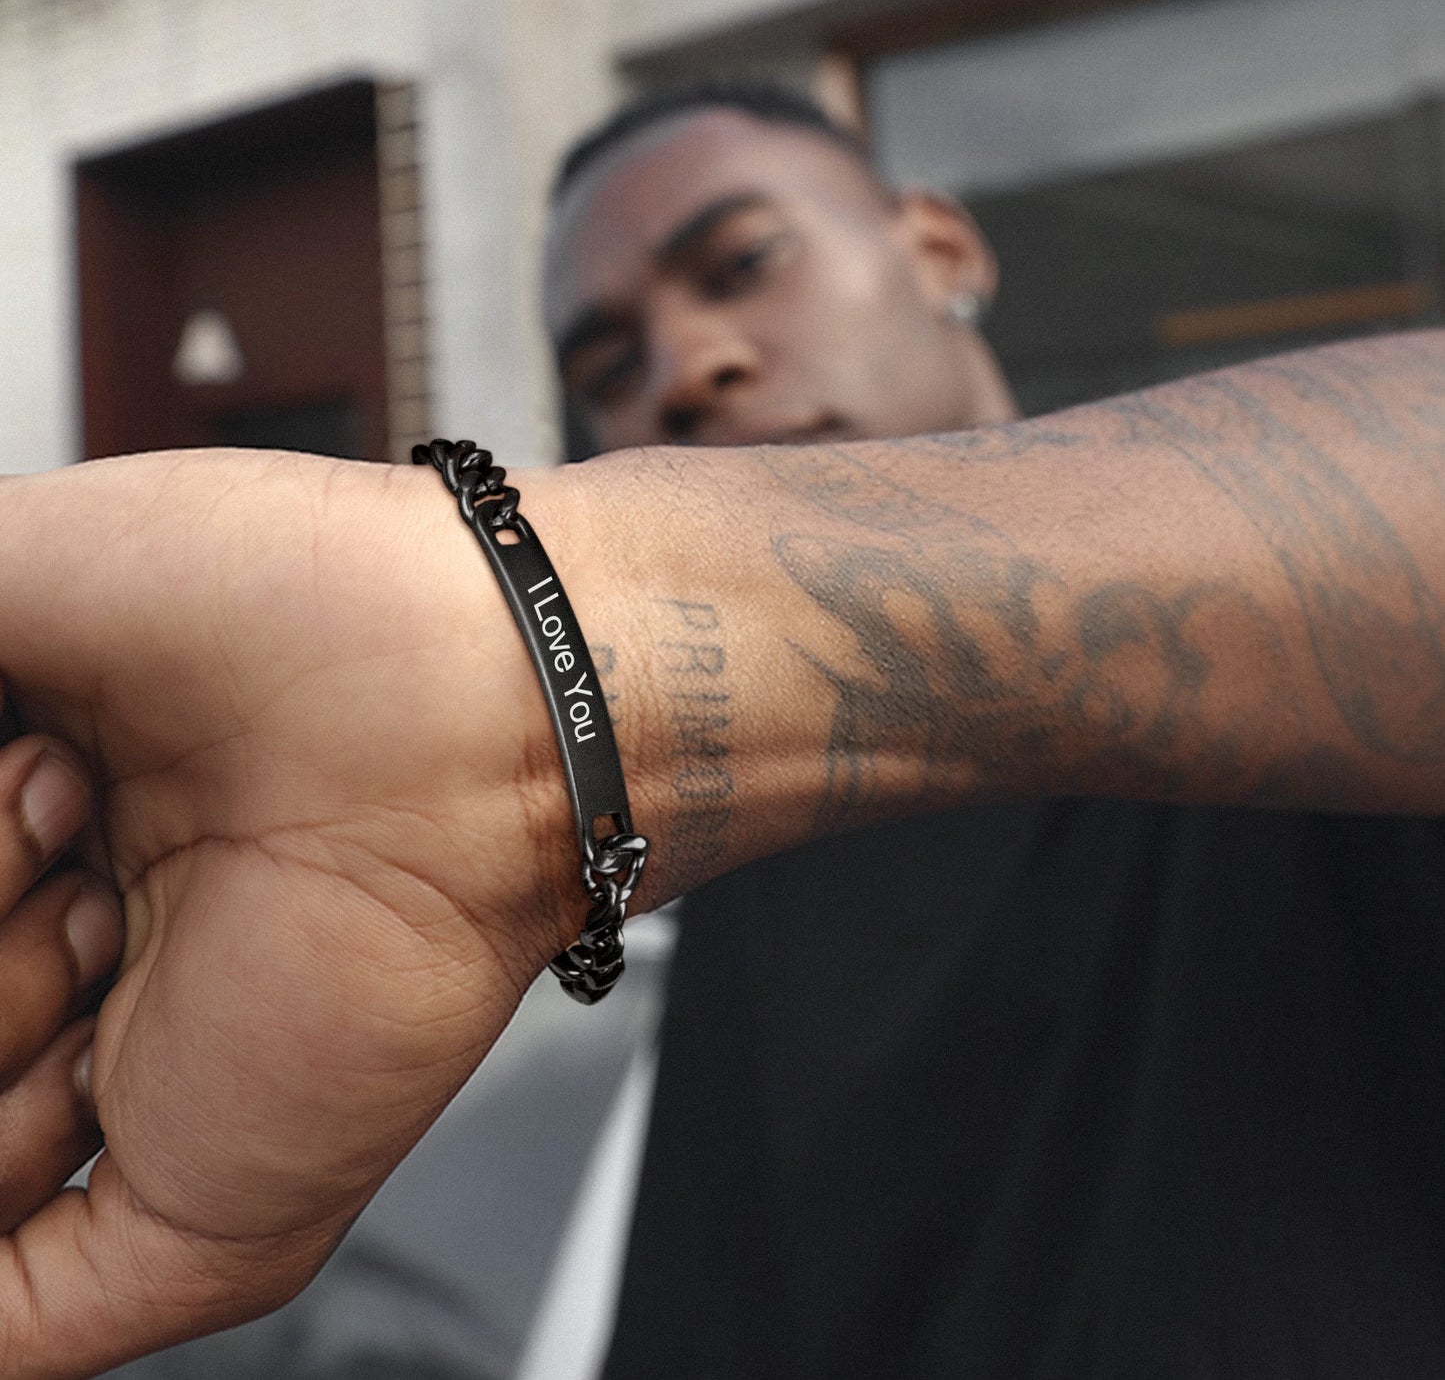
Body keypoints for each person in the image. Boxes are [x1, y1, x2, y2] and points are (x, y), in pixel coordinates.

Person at [0, 76, 1440, 1379]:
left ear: (939, 250)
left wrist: (559, 640)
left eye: (744, 263)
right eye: (608, 365)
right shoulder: (689, 874)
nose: (684, 366)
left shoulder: (1279, 697)